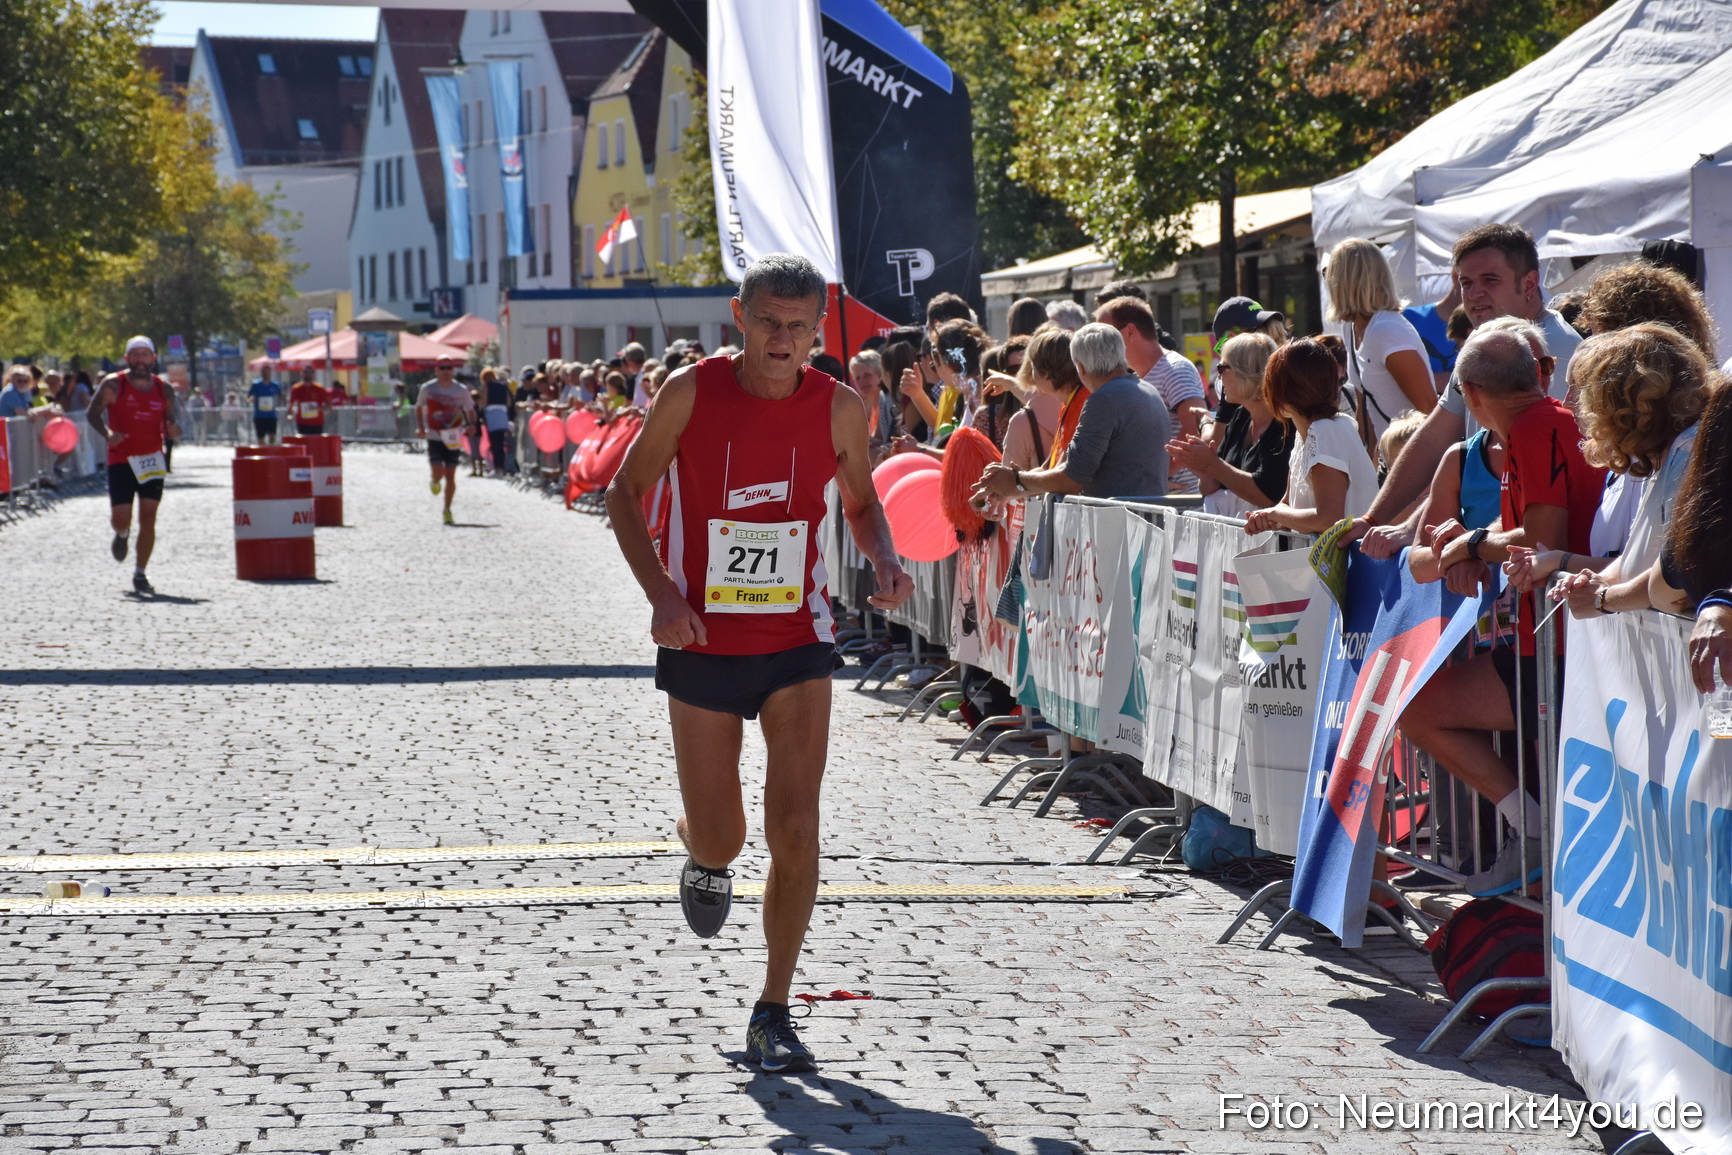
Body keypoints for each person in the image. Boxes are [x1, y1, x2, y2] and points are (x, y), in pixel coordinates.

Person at [604, 252, 913, 1074]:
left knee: (797, 826)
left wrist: (881, 556)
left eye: (798, 327)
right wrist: (663, 595)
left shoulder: (840, 407)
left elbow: (859, 501)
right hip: (701, 639)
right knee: (726, 833)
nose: (783, 340)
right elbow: (623, 495)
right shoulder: (691, 392)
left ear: (819, 331)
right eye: (769, 322)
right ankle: (701, 851)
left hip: (797, 639)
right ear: (740, 318)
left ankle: (773, 1008)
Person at [1396, 329, 1606, 896]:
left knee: (1415, 708)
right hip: (1559, 633)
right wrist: (1471, 547)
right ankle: (1533, 838)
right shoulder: (1543, 422)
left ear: (1470, 393)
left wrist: (1469, 545)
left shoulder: (1536, 428)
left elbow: (1539, 543)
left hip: (1566, 638)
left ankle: (1532, 831)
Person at [1341, 224, 1585, 555]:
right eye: (1466, 283)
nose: (1473, 293)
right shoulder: (1485, 343)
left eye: (1490, 280)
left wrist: (1470, 545)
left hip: (1521, 561)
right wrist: (1375, 519)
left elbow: (1545, 484)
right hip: (1487, 555)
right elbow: (1435, 435)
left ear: (1529, 284)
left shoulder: (1556, 350)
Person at [1521, 324, 1712, 615]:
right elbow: (1636, 562)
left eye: (1587, 391)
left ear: (1626, 401)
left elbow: (1675, 578)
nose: (1570, 403)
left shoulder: (1687, 452)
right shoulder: (1663, 457)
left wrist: (1603, 599)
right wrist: (1596, 581)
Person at [974, 322, 1169, 502]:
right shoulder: (1147, 389)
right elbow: (1061, 467)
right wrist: (1014, 485)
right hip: (1138, 522)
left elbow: (1071, 478)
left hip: (1118, 527)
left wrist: (1016, 480)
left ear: (1080, 368)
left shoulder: (1103, 399)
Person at [1242, 339, 1379, 534]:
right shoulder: (1311, 432)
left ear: (1280, 395)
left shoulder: (1326, 432)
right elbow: (1287, 505)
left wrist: (1275, 515)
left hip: (1351, 563)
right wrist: (1268, 517)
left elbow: (1328, 519)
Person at [86, 337, 180, 596]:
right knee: (120, 519)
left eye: (145, 354)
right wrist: (107, 433)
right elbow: (91, 414)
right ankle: (122, 533)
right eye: (135, 355)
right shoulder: (114, 384)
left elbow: (171, 419)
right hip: (121, 460)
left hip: (151, 460)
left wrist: (174, 429)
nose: (140, 360)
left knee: (149, 516)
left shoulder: (164, 388)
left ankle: (140, 573)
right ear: (127, 358)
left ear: (153, 358)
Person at [1324, 238, 1436, 449]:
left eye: (1329, 272)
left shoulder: (1387, 331)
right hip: (1388, 455)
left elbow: (1430, 410)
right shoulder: (1350, 327)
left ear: (1345, 279)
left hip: (1416, 456)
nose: (1327, 279)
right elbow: (1365, 410)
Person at [1166, 332, 1292, 517]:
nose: (1219, 378)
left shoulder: (1285, 423)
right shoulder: (1241, 416)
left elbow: (1268, 494)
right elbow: (1214, 485)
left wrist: (1212, 464)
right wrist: (1201, 468)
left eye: (1222, 368)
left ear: (1244, 372)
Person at [1096, 296, 1208, 493]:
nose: (1101, 344)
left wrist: (1160, 475)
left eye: (1107, 336)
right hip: (1160, 503)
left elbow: (1196, 427)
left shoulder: (1175, 368)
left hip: (1183, 507)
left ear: (1130, 331)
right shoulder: (1138, 375)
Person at [414, 355, 474, 525]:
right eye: (443, 368)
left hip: (453, 435)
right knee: (438, 471)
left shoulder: (460, 390)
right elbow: (418, 407)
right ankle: (434, 480)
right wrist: (420, 427)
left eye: (449, 368)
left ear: (453, 370)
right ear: (436, 370)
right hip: (434, 434)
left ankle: (447, 509)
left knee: (451, 474)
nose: (446, 371)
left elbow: (469, 410)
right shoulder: (428, 388)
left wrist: (471, 424)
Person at [847, 349, 898, 457]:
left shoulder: (887, 400)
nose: (862, 381)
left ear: (880, 374)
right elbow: (877, 440)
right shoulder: (873, 405)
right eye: (857, 378)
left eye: (867, 375)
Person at [480, 366, 516, 475]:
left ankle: (497, 468)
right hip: (502, 415)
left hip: (492, 415)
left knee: (494, 442)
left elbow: (483, 403)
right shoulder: (503, 386)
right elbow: (509, 402)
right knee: (500, 442)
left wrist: (481, 413)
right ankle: (501, 468)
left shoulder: (487, 387)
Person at [289, 366, 329, 436]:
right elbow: (291, 404)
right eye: (305, 372)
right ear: (301, 374)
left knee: (316, 444)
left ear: (313, 373)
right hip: (302, 422)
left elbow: (329, 406)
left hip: (317, 422)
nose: (307, 374)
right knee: (304, 444)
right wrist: (290, 415)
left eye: (309, 372)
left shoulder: (319, 388)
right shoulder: (296, 388)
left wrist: (317, 408)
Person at [249, 366, 284, 444]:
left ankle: (271, 452)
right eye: (264, 372)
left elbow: (281, 396)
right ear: (261, 373)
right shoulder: (256, 385)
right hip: (259, 416)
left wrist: (279, 403)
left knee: (272, 435)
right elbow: (249, 397)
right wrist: (251, 400)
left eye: (268, 372)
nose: (266, 374)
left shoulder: (275, 385)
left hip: (271, 415)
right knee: (261, 437)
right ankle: (262, 452)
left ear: (270, 373)